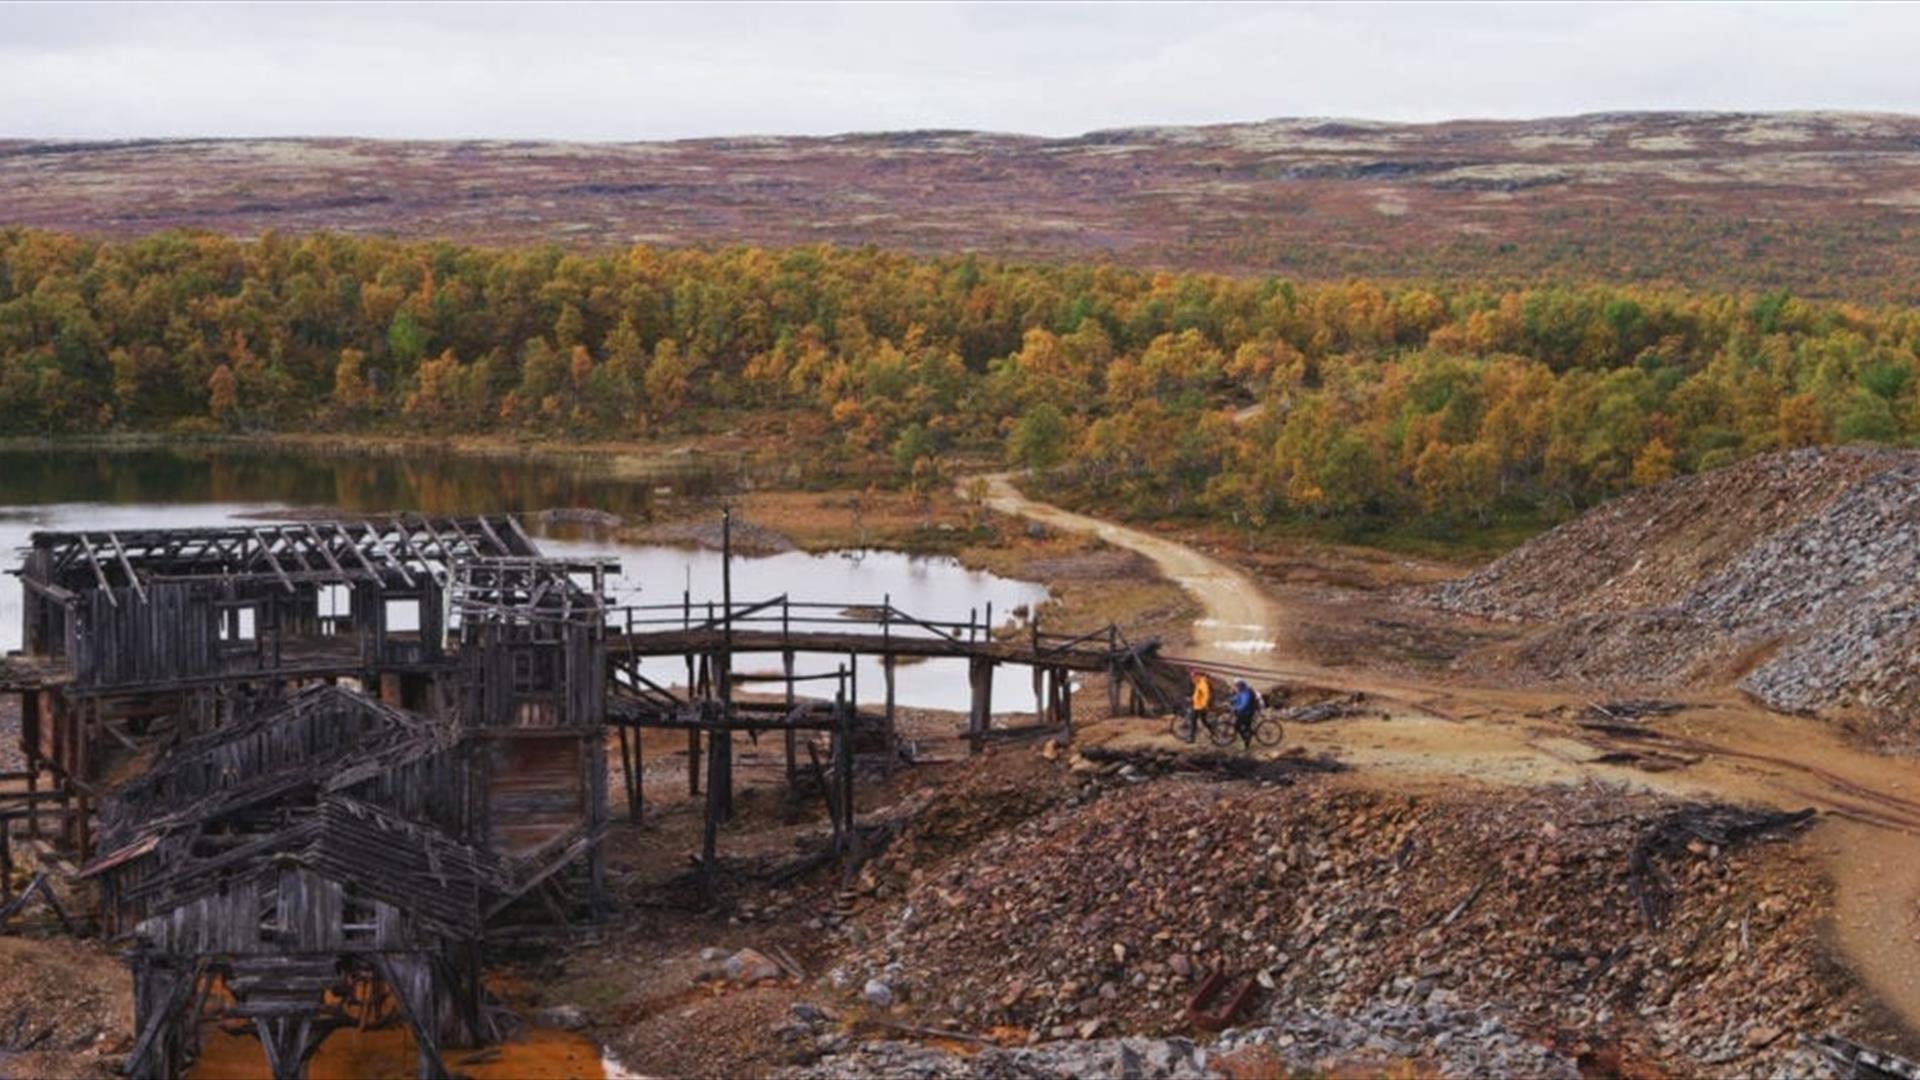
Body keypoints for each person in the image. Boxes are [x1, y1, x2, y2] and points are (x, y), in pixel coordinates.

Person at [1229, 679, 1259, 749]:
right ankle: (1247, 737)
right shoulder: (1241, 692)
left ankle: (1246, 739)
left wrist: (1236, 708)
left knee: (1238, 726)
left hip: (1247, 712)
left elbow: (1244, 704)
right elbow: (1237, 698)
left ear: (1241, 686)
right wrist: (1230, 700)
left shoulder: (1246, 693)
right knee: (1244, 726)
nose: (1236, 688)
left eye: (1237, 686)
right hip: (1243, 712)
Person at [1185, 669, 1211, 742]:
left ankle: (1191, 738)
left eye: (1193, 676)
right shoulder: (1198, 682)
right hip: (1197, 705)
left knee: (1195, 721)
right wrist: (1192, 698)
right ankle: (1213, 732)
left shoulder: (1203, 683)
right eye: (1191, 677)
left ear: (1197, 675)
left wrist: (1204, 704)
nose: (1192, 678)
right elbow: (1198, 694)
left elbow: (1206, 695)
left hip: (1200, 706)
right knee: (1201, 721)